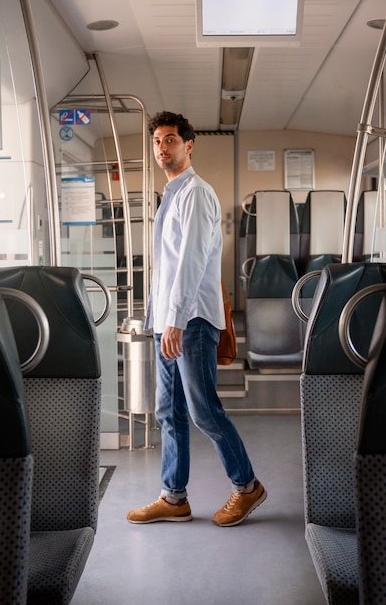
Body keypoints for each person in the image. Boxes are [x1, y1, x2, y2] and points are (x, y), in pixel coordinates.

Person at [126, 111, 266, 527]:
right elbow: (168, 267)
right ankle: (174, 498)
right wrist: (161, 320)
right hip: (167, 321)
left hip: (190, 323)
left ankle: (247, 487)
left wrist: (176, 321)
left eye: (170, 140)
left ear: (189, 145)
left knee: (203, 410)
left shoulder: (197, 194)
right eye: (157, 142)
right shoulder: (170, 195)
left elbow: (190, 262)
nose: (162, 148)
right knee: (168, 410)